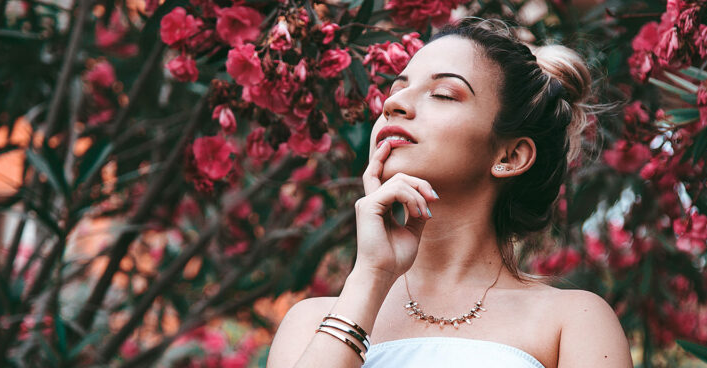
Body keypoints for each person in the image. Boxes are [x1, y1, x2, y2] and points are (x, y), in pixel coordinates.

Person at [267, 19, 632, 368]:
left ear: (510, 156)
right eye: (395, 90)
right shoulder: (311, 322)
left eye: (442, 94)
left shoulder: (574, 322)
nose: (393, 105)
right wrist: (371, 275)